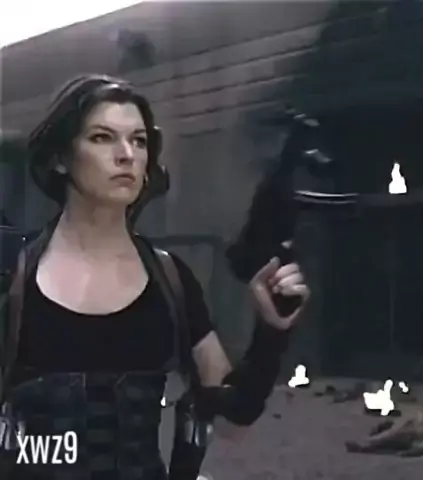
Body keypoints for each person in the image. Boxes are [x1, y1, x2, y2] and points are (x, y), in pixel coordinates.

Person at [0, 74, 310, 479]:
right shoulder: (12, 272)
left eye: (139, 140)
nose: (126, 154)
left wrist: (271, 333)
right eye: (102, 137)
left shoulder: (170, 280)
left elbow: (232, 419)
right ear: (61, 157)